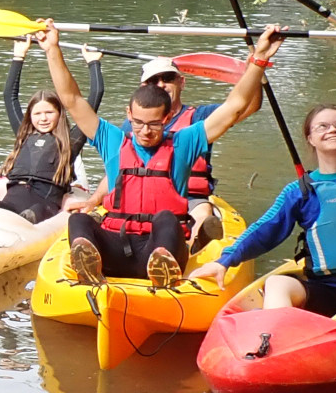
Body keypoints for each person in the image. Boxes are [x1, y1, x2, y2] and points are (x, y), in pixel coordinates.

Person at [41, 20, 286, 287]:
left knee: (167, 218)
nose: (145, 131)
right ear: (129, 115)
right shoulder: (113, 140)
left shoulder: (184, 142)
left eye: (154, 124)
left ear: (167, 117)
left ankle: (162, 268)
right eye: (139, 123)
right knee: (79, 220)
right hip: (117, 246)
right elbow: (72, 100)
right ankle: (89, 263)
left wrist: (258, 59)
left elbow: (235, 106)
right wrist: (52, 49)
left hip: (158, 250)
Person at [194, 56, 336, 326]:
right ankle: (275, 336)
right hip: (325, 290)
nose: (332, 130)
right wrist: (226, 260)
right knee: (278, 283)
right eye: (323, 127)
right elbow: (266, 229)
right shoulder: (301, 191)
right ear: (310, 138)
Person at [0, 39, 107, 222]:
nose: (43, 118)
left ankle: (23, 224)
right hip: (12, 202)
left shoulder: (70, 141)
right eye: (38, 113)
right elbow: (10, 97)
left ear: (59, 114)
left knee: (35, 212)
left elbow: (94, 97)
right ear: (30, 116)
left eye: (49, 112)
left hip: (43, 205)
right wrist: (19, 55)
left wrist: (93, 63)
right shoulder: (24, 135)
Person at [141, 55, 221, 238]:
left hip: (190, 198)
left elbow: (243, 106)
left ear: (181, 82)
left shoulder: (201, 118)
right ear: (144, 89)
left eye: (168, 78)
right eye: (154, 81)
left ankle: (194, 250)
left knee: (202, 212)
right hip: (146, 198)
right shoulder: (134, 125)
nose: (161, 85)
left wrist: (256, 66)